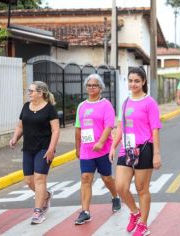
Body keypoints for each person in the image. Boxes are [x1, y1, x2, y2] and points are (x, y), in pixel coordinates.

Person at [109, 67, 162, 236]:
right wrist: (113, 146)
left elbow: (155, 129)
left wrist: (156, 154)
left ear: (143, 82)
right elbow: (120, 127)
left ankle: (143, 224)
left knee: (141, 188)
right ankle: (134, 212)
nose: (133, 84)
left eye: (137, 81)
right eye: (130, 81)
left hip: (145, 148)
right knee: (120, 187)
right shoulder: (125, 102)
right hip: (127, 149)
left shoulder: (149, 102)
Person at [9, 81, 60, 225]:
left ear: (40, 93)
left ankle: (38, 211)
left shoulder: (50, 109)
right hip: (28, 148)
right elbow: (20, 126)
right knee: (29, 181)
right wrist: (15, 138)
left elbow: (56, 130)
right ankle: (46, 195)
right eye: (29, 91)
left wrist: (51, 148)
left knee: (39, 179)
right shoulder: (26, 107)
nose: (29, 93)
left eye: (31, 91)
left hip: (44, 148)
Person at [74, 74, 121, 225]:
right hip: (86, 150)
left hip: (103, 149)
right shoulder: (81, 106)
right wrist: (77, 147)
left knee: (106, 177)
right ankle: (85, 211)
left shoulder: (106, 105)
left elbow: (109, 126)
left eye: (94, 85)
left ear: (101, 88)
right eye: (88, 85)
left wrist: (101, 142)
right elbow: (78, 128)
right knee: (86, 178)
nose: (91, 88)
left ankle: (115, 196)